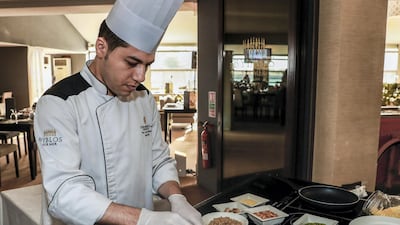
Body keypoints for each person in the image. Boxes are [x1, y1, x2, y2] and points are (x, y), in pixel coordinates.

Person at [33, 0, 203, 224]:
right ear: (101, 47)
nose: (141, 76)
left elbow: (158, 161)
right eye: (132, 62)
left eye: (147, 65)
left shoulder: (144, 98)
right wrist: (145, 220)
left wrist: (176, 197)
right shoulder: (59, 103)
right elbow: (64, 192)